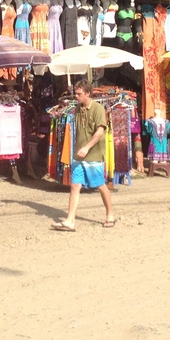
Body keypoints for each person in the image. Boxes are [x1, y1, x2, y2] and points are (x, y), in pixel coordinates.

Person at [52, 79, 116, 231]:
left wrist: (87, 147)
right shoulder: (77, 109)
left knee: (100, 185)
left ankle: (110, 214)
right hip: (79, 156)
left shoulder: (98, 109)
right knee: (75, 185)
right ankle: (70, 220)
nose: (76, 96)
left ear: (88, 93)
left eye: (79, 93)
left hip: (93, 155)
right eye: (76, 93)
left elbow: (100, 131)